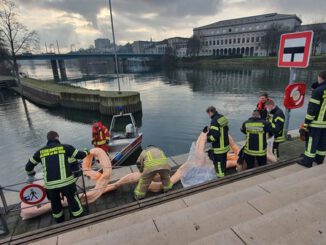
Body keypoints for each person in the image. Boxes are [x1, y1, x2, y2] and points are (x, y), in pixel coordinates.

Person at [25, 131, 89, 223]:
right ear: (57, 138)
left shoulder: (40, 152)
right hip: (66, 182)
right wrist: (87, 151)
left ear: (48, 139)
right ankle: (78, 216)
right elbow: (80, 155)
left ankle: (59, 220)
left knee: (55, 203)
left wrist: (31, 174)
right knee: (72, 199)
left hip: (50, 185)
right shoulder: (65, 147)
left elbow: (28, 167)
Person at [299, 71, 326, 168]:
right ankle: (319, 159)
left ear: (320, 78)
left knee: (311, 141)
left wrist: (306, 124)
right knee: (323, 142)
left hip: (316, 123)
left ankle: (307, 161)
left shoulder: (318, 91)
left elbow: (312, 110)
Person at [206, 106, 230, 178]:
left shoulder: (214, 121)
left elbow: (215, 135)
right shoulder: (222, 117)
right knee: (223, 160)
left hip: (219, 146)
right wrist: (210, 129)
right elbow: (223, 129)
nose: (208, 115)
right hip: (225, 144)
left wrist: (208, 139)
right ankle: (223, 171)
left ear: (210, 112)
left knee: (218, 162)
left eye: (208, 113)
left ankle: (220, 177)